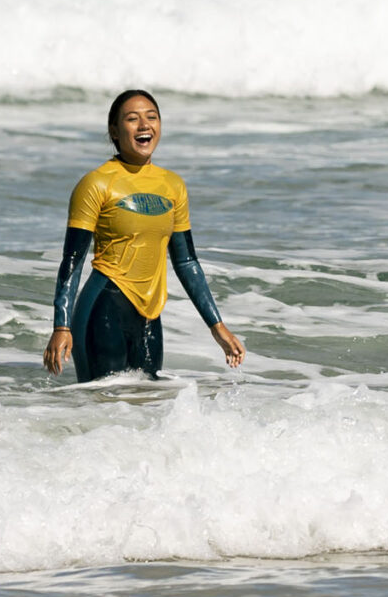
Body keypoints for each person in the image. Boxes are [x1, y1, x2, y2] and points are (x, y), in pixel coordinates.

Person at [44, 89, 246, 382]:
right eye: (132, 119)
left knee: (147, 407)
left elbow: (186, 261)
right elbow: (73, 259)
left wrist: (217, 326)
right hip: (103, 307)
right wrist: (61, 326)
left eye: (152, 117)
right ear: (114, 130)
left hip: (150, 316)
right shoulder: (96, 183)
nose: (144, 125)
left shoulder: (172, 185)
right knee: (102, 406)